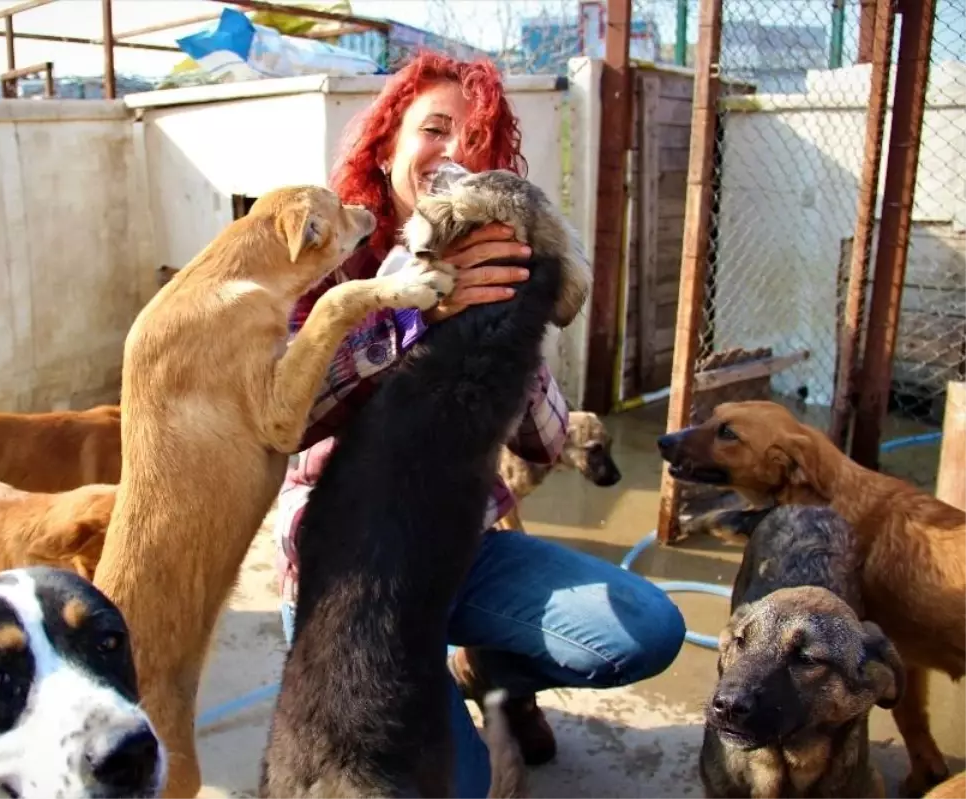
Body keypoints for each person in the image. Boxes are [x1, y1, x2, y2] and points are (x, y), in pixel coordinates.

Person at [271, 50, 686, 795]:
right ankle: (437, 672)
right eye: (434, 130)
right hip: (349, 579)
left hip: (459, 549)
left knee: (646, 629)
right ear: (389, 138)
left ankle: (486, 663)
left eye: (476, 145)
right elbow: (280, 420)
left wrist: (509, 319)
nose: (452, 155)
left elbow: (545, 443)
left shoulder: (497, 256)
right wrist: (406, 308)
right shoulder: (326, 254)